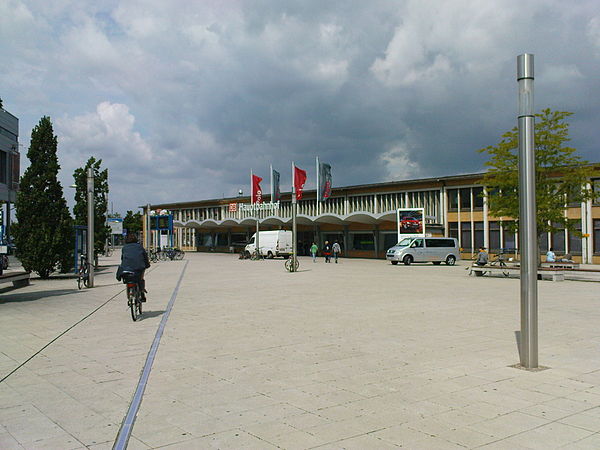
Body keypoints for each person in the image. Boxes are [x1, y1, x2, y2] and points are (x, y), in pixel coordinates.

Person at [117, 234, 150, 302]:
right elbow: (145, 257)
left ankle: (129, 296)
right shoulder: (139, 247)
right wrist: (147, 265)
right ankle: (142, 292)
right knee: (141, 278)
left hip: (126, 268)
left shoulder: (124, 248)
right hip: (138, 267)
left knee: (128, 279)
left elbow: (122, 258)